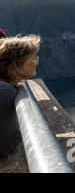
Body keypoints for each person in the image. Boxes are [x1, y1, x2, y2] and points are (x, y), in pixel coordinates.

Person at [0, 29, 40, 158]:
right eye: (33, 58)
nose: (36, 62)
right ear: (17, 64)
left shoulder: (7, 87)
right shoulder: (6, 91)